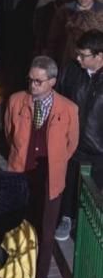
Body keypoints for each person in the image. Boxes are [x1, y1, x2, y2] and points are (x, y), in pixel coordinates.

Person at [5, 56, 78, 278]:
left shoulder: (68, 109)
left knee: (45, 235)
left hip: (50, 180)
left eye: (38, 81)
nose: (33, 85)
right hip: (21, 176)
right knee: (16, 230)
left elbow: (71, 143)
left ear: (52, 82)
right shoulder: (16, 101)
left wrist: (56, 163)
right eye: (30, 79)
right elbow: (10, 133)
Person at [56, 29, 103, 241]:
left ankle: (86, 229)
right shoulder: (72, 71)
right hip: (72, 144)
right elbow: (59, 99)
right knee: (69, 185)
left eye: (83, 55)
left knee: (93, 194)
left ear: (99, 56)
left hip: (98, 150)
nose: (78, 58)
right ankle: (66, 218)